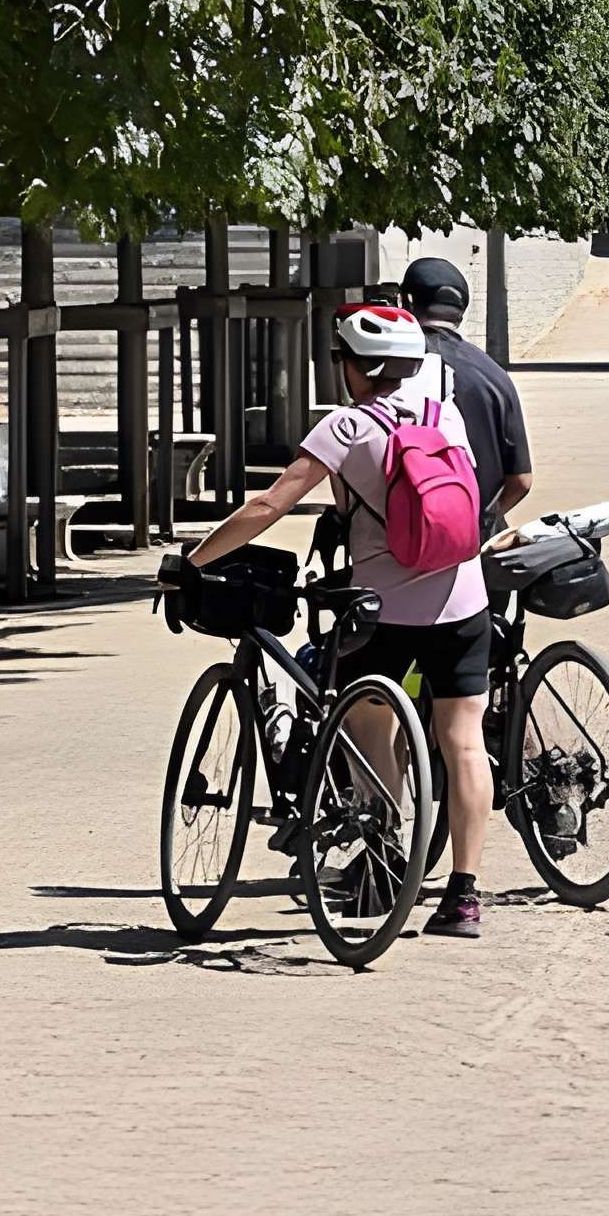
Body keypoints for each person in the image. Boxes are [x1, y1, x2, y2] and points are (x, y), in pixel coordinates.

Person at [180, 303, 502, 940]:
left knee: (367, 726)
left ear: (355, 366)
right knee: (463, 742)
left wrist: (193, 560)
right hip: (464, 600)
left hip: (384, 610)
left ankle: (383, 863)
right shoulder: (448, 417)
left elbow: (271, 502)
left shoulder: (348, 428)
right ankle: (463, 895)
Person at [399, 254, 535, 530]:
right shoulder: (495, 375)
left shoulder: (396, 367)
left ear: (408, 302)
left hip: (404, 545)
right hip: (474, 544)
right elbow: (521, 480)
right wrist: (481, 521)